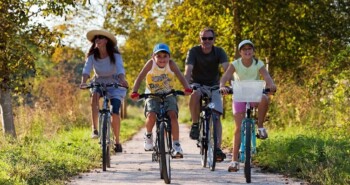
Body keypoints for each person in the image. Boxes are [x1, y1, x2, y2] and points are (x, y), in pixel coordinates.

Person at [220, 39, 277, 172]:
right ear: (240, 52)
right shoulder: (235, 64)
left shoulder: (258, 64)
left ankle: (261, 127)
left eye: (249, 49)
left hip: (254, 95)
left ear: (253, 51)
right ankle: (234, 161)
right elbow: (225, 76)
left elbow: (267, 77)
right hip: (240, 95)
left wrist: (271, 85)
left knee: (264, 98)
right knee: (238, 128)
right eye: (244, 49)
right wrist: (222, 86)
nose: (247, 51)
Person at [130, 43, 192, 158]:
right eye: (159, 56)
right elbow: (140, 77)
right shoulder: (150, 64)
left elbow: (180, 76)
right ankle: (148, 135)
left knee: (173, 115)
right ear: (153, 57)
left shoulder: (171, 64)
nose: (162, 59)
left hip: (168, 94)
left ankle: (176, 144)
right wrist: (134, 91)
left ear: (169, 57)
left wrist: (187, 88)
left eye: (165, 56)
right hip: (152, 94)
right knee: (151, 115)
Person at [184, 27, 229, 161]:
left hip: (214, 86)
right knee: (195, 94)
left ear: (214, 39)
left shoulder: (219, 51)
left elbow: (227, 69)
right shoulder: (194, 51)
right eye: (204, 38)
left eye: (210, 38)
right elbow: (188, 71)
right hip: (197, 84)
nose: (207, 41)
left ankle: (217, 149)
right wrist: (186, 86)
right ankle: (195, 124)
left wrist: (227, 84)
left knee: (216, 115)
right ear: (200, 39)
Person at [80, 29, 128, 153]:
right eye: (96, 38)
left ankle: (117, 142)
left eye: (100, 38)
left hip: (114, 83)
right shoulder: (92, 56)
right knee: (94, 97)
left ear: (106, 41)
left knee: (115, 111)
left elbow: (120, 69)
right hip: (99, 81)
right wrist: (83, 81)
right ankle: (95, 129)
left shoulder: (115, 55)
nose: (97, 40)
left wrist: (122, 80)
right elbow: (86, 70)